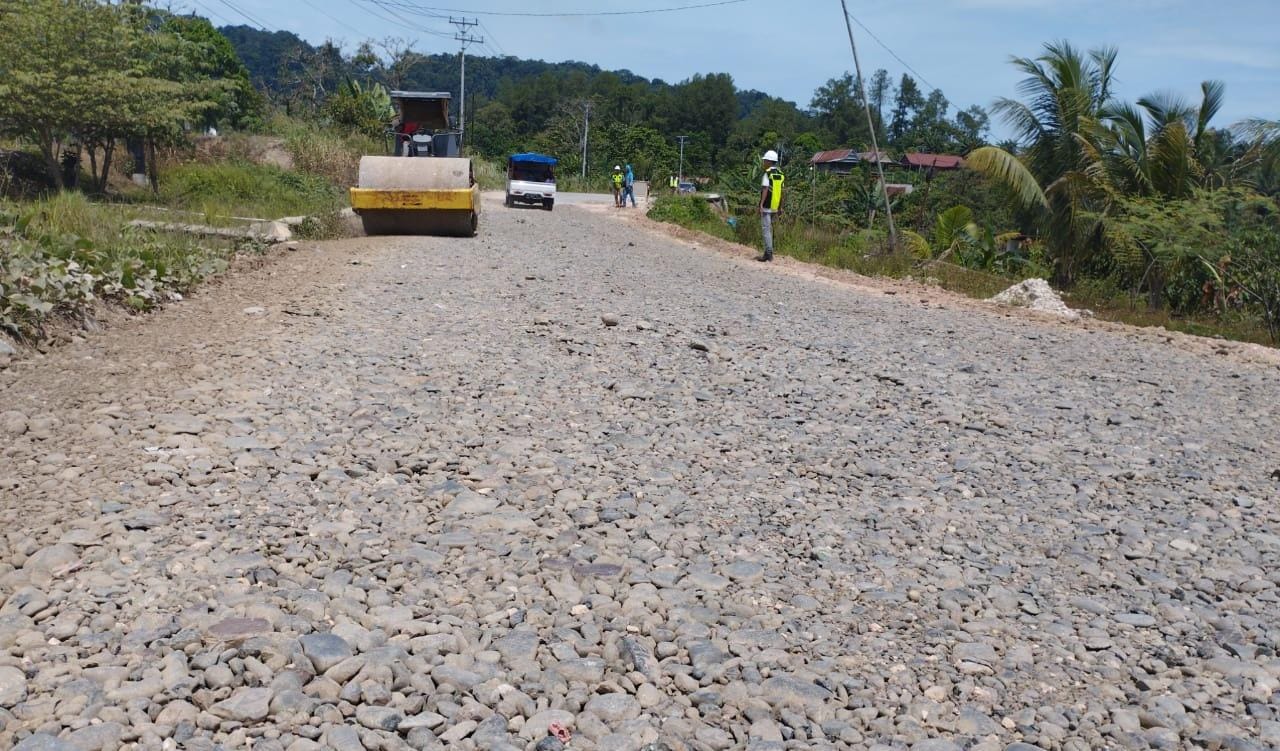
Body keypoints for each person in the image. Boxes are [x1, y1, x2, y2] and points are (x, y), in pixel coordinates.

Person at [757, 150, 784, 262]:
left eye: (765, 160)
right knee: (770, 229)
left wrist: (761, 205)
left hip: (767, 206)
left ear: (769, 161)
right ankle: (768, 251)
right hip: (775, 206)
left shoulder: (767, 173)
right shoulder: (781, 174)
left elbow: (765, 190)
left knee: (766, 230)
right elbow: (782, 191)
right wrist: (780, 207)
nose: (763, 162)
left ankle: (768, 254)